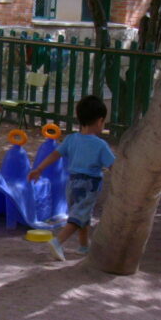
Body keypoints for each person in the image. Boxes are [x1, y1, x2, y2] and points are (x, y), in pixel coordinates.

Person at [28, 96, 115, 260]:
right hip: (89, 186)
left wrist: (39, 168)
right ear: (99, 121)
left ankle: (83, 247)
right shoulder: (100, 145)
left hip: (72, 184)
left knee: (82, 215)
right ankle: (57, 242)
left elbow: (55, 154)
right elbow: (114, 166)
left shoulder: (71, 139)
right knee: (77, 218)